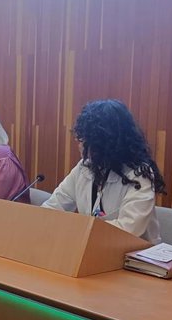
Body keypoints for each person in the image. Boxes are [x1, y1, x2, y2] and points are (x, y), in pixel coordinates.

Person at [42, 99, 165, 243]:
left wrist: (75, 230)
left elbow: (128, 230)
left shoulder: (139, 175)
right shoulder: (84, 168)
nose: (80, 145)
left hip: (134, 257)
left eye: (85, 140)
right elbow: (53, 208)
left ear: (105, 142)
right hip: (93, 248)